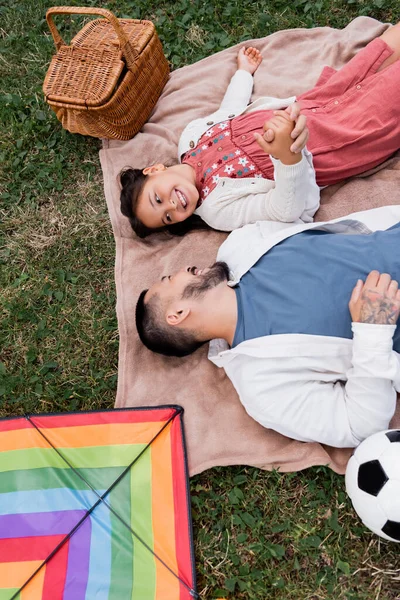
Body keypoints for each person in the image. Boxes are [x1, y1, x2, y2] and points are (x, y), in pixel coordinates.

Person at [135, 205, 400, 448]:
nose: (184, 268)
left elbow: (299, 206)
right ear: (178, 314)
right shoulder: (261, 386)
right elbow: (359, 427)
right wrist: (373, 331)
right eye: (170, 279)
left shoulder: (241, 245)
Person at [120, 24, 400, 237]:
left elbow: (228, 110)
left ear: (155, 170)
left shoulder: (190, 138)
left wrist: (243, 73)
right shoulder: (218, 210)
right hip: (333, 142)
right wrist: (286, 158)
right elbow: (283, 210)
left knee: (378, 54)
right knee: (390, 92)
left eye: (157, 198)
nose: (171, 206)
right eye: (167, 218)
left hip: (314, 104)